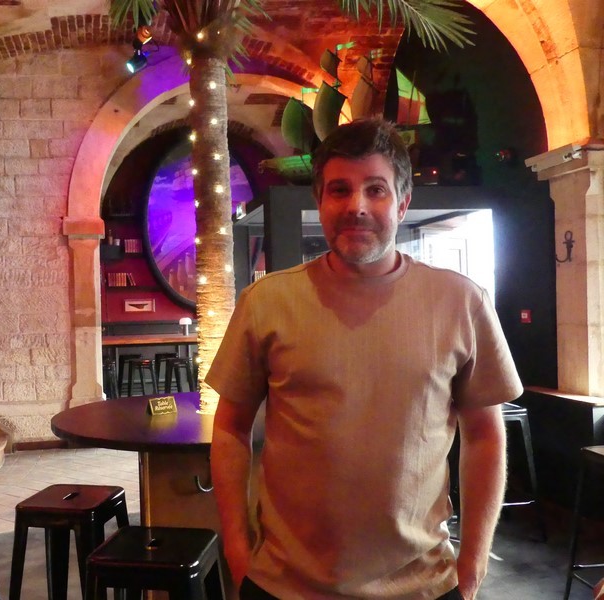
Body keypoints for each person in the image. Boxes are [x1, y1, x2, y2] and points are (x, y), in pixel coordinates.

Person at [207, 116, 523, 600]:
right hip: (283, 584)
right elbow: (230, 428)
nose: (356, 206)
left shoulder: (461, 302)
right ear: (320, 200)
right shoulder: (266, 302)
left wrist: (474, 561)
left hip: (422, 585)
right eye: (339, 190)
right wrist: (236, 546)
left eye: (376, 189)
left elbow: (485, 435)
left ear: (402, 202)